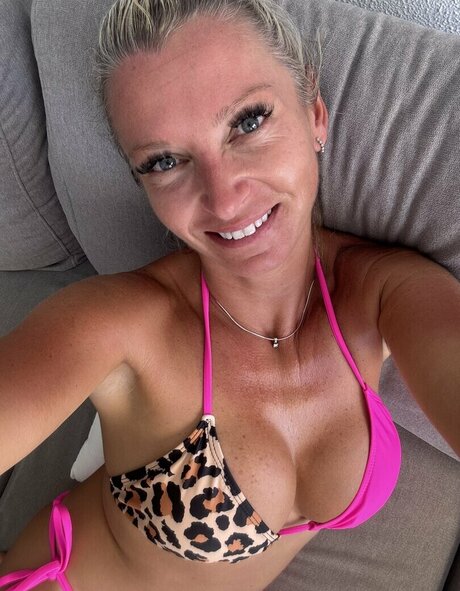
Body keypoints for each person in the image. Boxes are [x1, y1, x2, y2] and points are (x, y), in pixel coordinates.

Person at [0, 0, 459, 589]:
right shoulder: (123, 324)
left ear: (315, 114)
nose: (224, 199)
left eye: (248, 122)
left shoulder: (384, 292)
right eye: (165, 161)